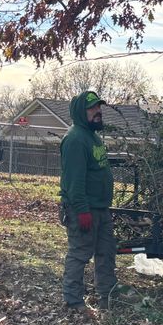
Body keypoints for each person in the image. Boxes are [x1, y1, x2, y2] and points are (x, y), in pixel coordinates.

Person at [59, 90, 116, 310]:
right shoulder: (75, 139)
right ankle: (73, 300)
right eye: (92, 108)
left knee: (106, 253)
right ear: (80, 112)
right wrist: (82, 210)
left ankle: (107, 298)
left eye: (99, 107)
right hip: (83, 209)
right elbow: (74, 181)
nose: (98, 111)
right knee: (80, 253)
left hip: (100, 209)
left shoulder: (92, 136)